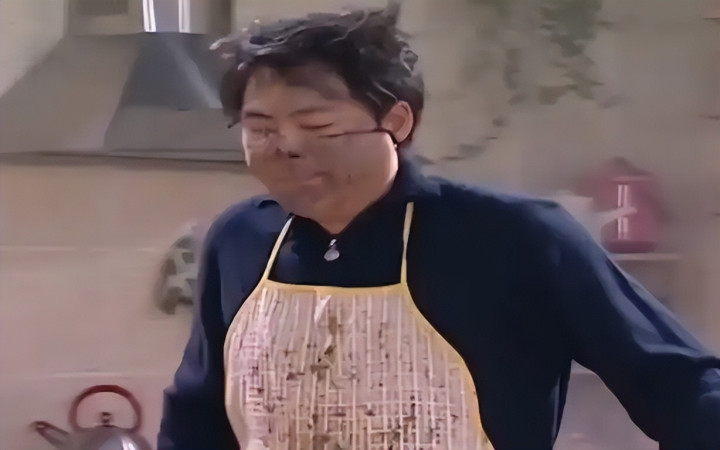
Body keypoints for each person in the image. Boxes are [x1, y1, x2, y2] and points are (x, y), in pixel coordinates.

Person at [158, 6, 720, 450]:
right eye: (260, 128)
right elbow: (197, 415)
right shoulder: (240, 239)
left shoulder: (515, 237)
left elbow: (679, 386)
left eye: (317, 125)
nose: (286, 147)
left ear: (397, 122)